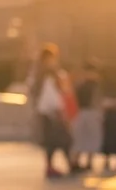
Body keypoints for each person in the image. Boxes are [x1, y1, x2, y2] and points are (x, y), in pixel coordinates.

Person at [31, 44, 74, 179]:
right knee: (58, 140)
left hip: (48, 111)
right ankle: (56, 166)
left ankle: (65, 164)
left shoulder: (41, 74)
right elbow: (50, 95)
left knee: (57, 140)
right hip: (51, 112)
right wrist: (58, 110)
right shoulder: (47, 74)